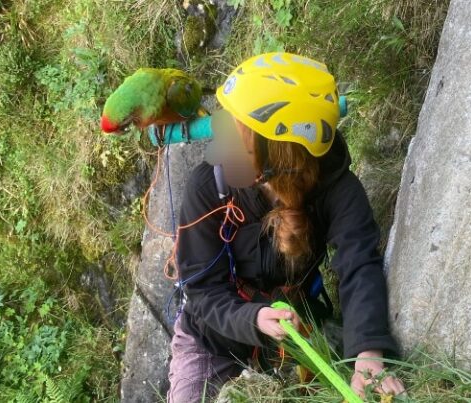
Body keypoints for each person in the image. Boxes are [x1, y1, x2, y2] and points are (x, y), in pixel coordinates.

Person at [167, 52, 405, 402]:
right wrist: (252, 319)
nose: (221, 150)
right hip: (213, 338)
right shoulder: (209, 187)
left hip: (297, 331)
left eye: (238, 139)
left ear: (278, 154)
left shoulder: (337, 191)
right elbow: (203, 291)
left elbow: (358, 264)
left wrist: (368, 353)